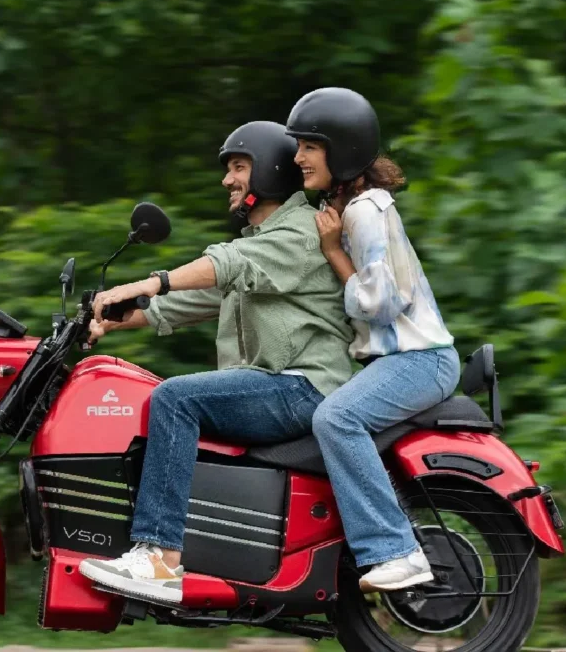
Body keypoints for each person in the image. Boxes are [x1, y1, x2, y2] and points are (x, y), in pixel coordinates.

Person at [77, 121, 354, 603]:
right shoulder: (263, 240)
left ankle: (159, 558)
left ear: (268, 171)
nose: (228, 180)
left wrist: (148, 282)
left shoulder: (299, 233)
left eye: (238, 167)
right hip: (274, 384)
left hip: (302, 387)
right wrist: (109, 321)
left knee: (175, 399)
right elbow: (192, 301)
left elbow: (228, 264)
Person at [286, 87, 460, 592]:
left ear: (340, 150)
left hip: (419, 359)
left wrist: (332, 249)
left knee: (336, 418)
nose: (298, 157)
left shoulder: (363, 212)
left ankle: (396, 551)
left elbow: (382, 302)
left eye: (309, 147)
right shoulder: (359, 207)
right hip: (408, 360)